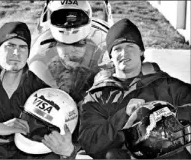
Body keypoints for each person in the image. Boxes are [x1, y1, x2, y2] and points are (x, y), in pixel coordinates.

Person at [78, 18, 191, 159]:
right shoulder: (97, 96)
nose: (124, 53)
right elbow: (90, 142)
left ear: (142, 51)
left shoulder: (165, 84)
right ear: (110, 56)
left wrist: (166, 116)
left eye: (130, 46)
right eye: (117, 48)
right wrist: (124, 116)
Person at [0, 21, 77, 159]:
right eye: (10, 45)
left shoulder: (43, 92)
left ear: (28, 53)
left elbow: (60, 142)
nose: (16, 52)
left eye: (22, 47)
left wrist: (68, 151)